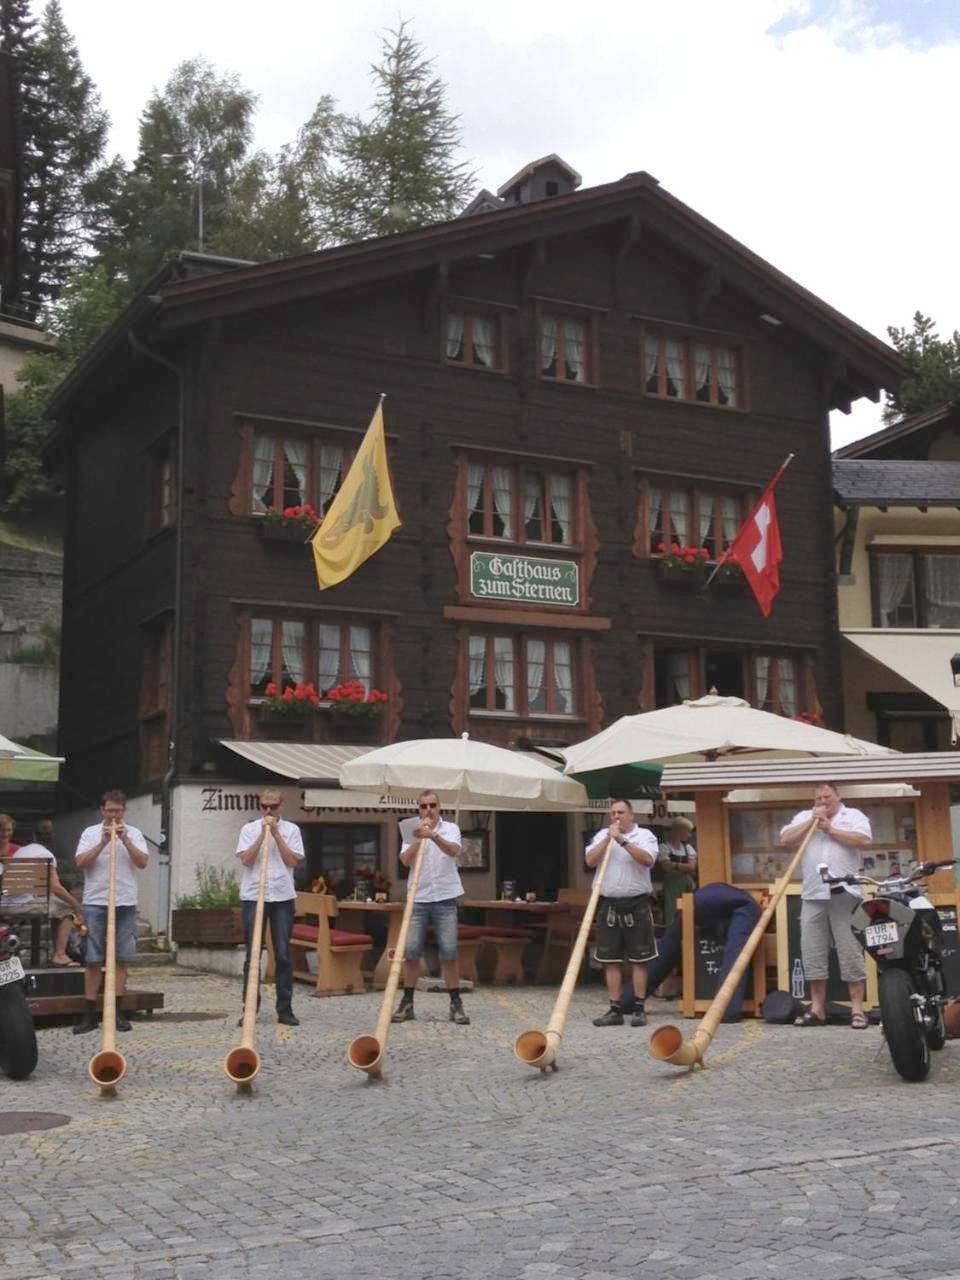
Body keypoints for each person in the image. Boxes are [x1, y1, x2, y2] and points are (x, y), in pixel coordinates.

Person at [780, 781, 872, 1029]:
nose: (823, 802)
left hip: (845, 892)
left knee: (850, 949)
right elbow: (785, 839)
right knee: (812, 950)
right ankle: (817, 1008)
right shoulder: (804, 816)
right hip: (812, 894)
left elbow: (864, 841)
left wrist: (830, 829)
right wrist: (811, 822)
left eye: (827, 797)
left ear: (837, 796)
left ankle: (857, 1009)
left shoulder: (852, 816)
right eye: (818, 798)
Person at [622, 883, 761, 1022]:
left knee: (665, 954)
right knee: (736, 956)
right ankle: (727, 1009)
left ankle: (627, 1001)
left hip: (698, 901)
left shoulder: (714, 897)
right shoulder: (750, 906)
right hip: (725, 905)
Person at [73, 790, 149, 1035]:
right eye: (109, 810)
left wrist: (125, 840)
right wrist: (103, 842)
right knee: (93, 958)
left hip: (124, 901)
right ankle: (89, 1014)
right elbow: (80, 863)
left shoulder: (134, 833)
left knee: (121, 958)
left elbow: (142, 862)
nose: (113, 815)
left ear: (124, 810)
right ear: (102, 810)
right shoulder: (90, 833)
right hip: (96, 902)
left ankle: (116, 1012)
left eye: (118, 811)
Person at [392, 790, 470, 1026]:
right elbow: (405, 861)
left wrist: (433, 835)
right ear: (419, 809)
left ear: (439, 807)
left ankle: (455, 1004)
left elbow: (454, 851)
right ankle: (407, 1003)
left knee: (449, 951)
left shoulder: (451, 828)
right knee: (413, 951)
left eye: (432, 805)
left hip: (446, 897)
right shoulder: (411, 831)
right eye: (424, 806)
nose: (428, 810)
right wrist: (419, 839)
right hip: (419, 897)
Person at [587, 798, 659, 1028]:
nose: (616, 817)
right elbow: (589, 861)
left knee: (640, 959)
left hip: (636, 903)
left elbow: (647, 860)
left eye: (621, 812)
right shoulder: (602, 835)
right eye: (613, 813)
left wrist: (622, 840)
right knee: (611, 960)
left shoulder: (645, 835)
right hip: (609, 903)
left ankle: (639, 1007)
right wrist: (609, 838)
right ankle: (615, 1008)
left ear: (631, 815)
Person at [235, 788, 304, 1026]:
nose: (268, 811)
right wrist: (262, 836)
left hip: (283, 897)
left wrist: (276, 835)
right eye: (264, 806)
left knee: (283, 955)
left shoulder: (292, 830)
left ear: (281, 806)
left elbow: (293, 861)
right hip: (254, 896)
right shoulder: (249, 829)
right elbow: (246, 860)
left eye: (273, 807)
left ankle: (284, 1009)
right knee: (252, 955)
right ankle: (250, 1008)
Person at [9, 819, 84, 966]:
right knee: (66, 909)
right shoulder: (46, 854)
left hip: (11, 903)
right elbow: (55, 887)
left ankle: (56, 954)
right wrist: (76, 906)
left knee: (57, 906)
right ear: (52, 837)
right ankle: (60, 954)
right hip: (29, 904)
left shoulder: (20, 851)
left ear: (33, 836)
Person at [658, 816, 698, 927]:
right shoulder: (664, 847)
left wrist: (675, 865)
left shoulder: (688, 848)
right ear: (679, 831)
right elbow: (666, 866)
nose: (689, 835)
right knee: (672, 910)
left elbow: (692, 867)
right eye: (687, 832)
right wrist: (684, 867)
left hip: (687, 883)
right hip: (671, 884)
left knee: (689, 908)